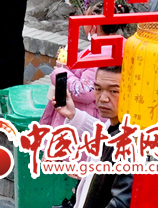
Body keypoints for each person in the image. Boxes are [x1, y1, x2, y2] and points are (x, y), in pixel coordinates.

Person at [51, 66, 132, 208]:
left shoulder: (131, 143)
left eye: (114, 91)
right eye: (98, 89)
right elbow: (104, 137)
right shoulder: (112, 125)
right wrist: (73, 114)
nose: (103, 98)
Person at [39, 2, 119, 128]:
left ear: (94, 25)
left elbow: (84, 91)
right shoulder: (110, 45)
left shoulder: (104, 53)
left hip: (85, 118)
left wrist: (60, 72)